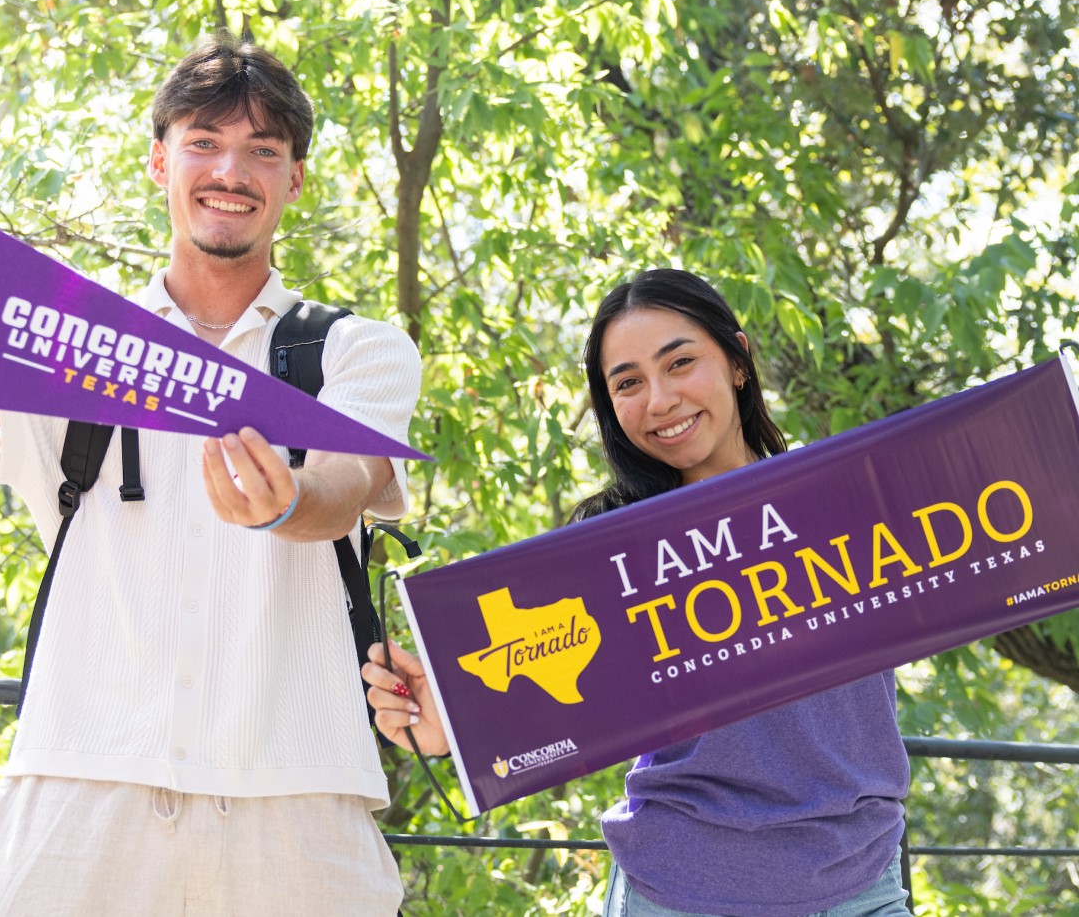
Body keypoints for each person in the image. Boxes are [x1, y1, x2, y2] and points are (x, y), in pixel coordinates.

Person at [0, 31, 420, 915]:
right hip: (77, 799)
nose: (232, 169)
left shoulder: (356, 350)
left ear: (293, 180)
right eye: (204, 143)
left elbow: (347, 489)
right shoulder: (65, 344)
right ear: (159, 161)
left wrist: (288, 502)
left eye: (263, 151)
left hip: (297, 812)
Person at [363, 268, 912, 917]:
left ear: (738, 361)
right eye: (628, 383)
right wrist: (450, 725)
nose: (659, 399)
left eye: (680, 363)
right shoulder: (603, 549)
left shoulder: (849, 495)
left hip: (863, 884)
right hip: (683, 890)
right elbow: (544, 703)